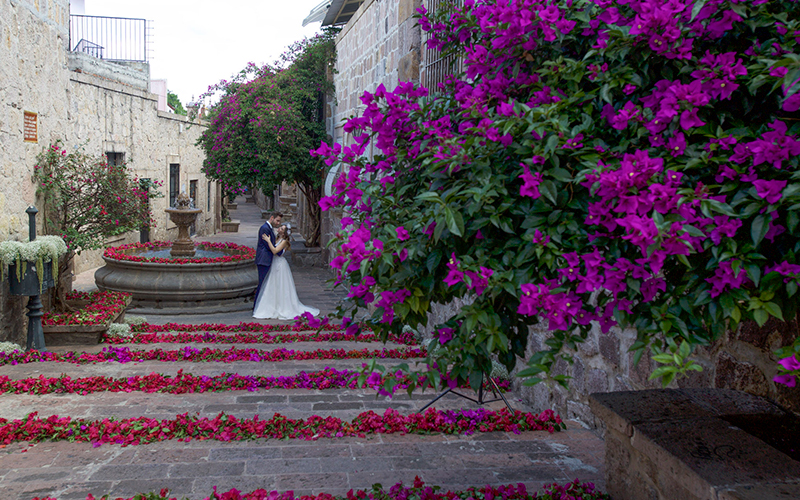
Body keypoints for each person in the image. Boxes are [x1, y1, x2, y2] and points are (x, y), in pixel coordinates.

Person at [253, 225, 320, 320]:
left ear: (284, 233)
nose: (279, 228)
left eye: (282, 228)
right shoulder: (277, 238)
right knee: (272, 285)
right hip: (274, 263)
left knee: (281, 285)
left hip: (280, 265)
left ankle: (282, 306)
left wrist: (268, 241)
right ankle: (271, 305)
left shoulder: (284, 241)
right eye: (280, 227)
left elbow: (275, 251)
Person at [254, 211, 283, 308]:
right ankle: (257, 306)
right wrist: (279, 251)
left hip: (266, 259)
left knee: (265, 284)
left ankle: (261, 306)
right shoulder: (265, 228)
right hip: (263, 259)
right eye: (277, 220)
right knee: (262, 284)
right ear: (272, 218)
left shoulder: (268, 228)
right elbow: (268, 245)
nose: (278, 223)